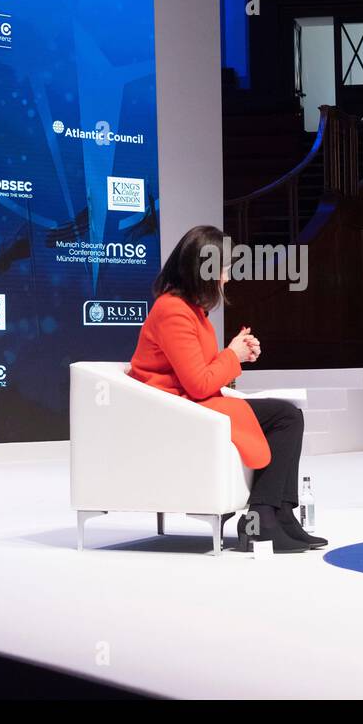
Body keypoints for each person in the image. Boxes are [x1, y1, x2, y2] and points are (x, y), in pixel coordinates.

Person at [128, 225, 326, 553]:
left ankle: (280, 514)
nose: (226, 277)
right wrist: (233, 355)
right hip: (178, 409)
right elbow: (199, 382)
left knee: (289, 416)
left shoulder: (190, 310)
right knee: (286, 417)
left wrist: (235, 354)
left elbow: (201, 373)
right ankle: (263, 518)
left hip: (192, 403)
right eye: (222, 269)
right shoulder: (173, 311)